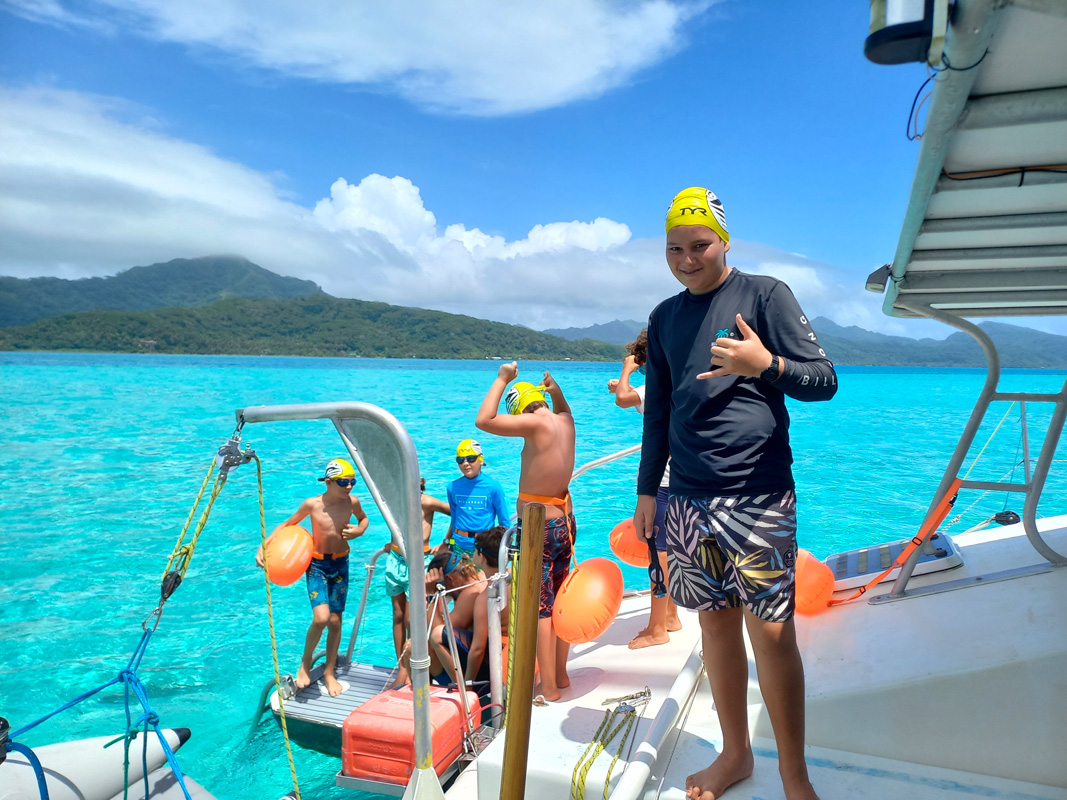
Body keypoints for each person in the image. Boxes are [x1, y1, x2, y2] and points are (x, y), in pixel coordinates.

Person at [634, 187, 836, 800]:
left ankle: (794, 776)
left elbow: (822, 381)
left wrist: (764, 364)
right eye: (675, 247)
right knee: (715, 631)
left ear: (724, 242)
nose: (687, 258)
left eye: (700, 245)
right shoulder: (664, 317)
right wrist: (649, 491)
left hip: (757, 495)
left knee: (773, 636)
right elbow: (659, 409)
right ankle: (736, 754)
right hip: (687, 501)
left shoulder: (765, 294)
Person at [475, 363, 575, 703]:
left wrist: (503, 379)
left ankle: (548, 686)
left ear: (519, 410)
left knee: (541, 608)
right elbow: (563, 407)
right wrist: (555, 387)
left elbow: (484, 420)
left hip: (540, 529)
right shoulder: (564, 421)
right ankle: (561, 673)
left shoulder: (534, 424)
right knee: (561, 601)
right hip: (566, 522)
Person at [257, 458, 369, 697]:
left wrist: (359, 530)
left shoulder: (352, 502)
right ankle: (305, 663)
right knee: (321, 618)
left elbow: (364, 519)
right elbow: (288, 524)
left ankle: (329, 672)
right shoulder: (312, 505)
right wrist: (263, 548)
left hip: (341, 564)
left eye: (352, 482)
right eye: (343, 482)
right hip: (317, 565)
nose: (349, 487)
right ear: (328, 482)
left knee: (336, 622)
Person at [608, 330, 681, 649]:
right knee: (676, 553)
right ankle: (671, 617)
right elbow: (630, 398)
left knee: (659, 556)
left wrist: (626, 371)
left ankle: (656, 629)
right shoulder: (679, 381)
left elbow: (624, 399)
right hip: (687, 480)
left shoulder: (653, 385)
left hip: (663, 484)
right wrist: (623, 386)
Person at [385, 477, 450, 686]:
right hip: (395, 560)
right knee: (398, 615)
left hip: (418, 561)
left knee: (413, 620)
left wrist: (445, 541)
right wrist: (392, 544)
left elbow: (456, 512)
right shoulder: (394, 500)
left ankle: (412, 667)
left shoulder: (426, 501)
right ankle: (400, 668)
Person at [434, 525, 509, 688]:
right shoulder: (511, 577)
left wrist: (468, 686)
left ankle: (461, 687)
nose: (470, 554)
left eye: (475, 551)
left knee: (436, 634)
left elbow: (477, 649)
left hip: (495, 659)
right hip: (509, 650)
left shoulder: (486, 598)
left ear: (481, 556)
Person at [424, 549, 485, 686]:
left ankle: (460, 690)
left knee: (412, 648)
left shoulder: (470, 594)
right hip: (485, 657)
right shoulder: (480, 576)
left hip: (481, 670)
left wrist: (431, 594)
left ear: (449, 579)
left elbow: (439, 633)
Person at [443, 439, 510, 555]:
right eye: (460, 460)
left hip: (483, 547)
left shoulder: (494, 487)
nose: (465, 463)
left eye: (471, 458)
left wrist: (504, 550)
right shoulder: (452, 487)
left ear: (480, 459)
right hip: (459, 546)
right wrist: (449, 543)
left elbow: (504, 522)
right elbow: (454, 520)